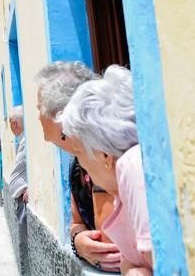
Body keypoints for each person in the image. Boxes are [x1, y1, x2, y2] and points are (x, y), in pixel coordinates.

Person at [61, 66, 152, 275]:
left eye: (78, 153)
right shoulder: (121, 189)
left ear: (103, 155)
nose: (80, 165)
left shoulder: (132, 166)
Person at [35, 61, 121, 272]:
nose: (37, 116)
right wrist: (79, 242)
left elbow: (110, 245)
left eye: (39, 108)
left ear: (60, 112)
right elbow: (76, 222)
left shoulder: (107, 157)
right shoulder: (77, 165)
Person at [8, 106, 28, 275]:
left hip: (24, 199)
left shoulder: (26, 141)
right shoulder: (22, 140)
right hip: (20, 197)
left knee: (24, 243)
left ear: (14, 123)